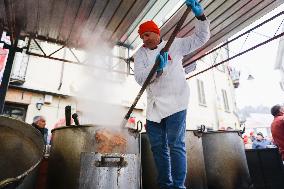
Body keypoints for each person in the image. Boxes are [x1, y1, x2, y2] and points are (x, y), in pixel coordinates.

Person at [134, 0, 210, 188]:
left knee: (176, 145)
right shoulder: (140, 55)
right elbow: (140, 79)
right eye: (142, 37)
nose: (144, 39)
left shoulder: (175, 45)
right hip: (153, 108)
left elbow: (201, 38)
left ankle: (178, 185)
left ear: (156, 33)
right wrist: (157, 69)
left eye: (147, 34)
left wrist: (200, 16)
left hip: (176, 102)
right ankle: (165, 185)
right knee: (158, 148)